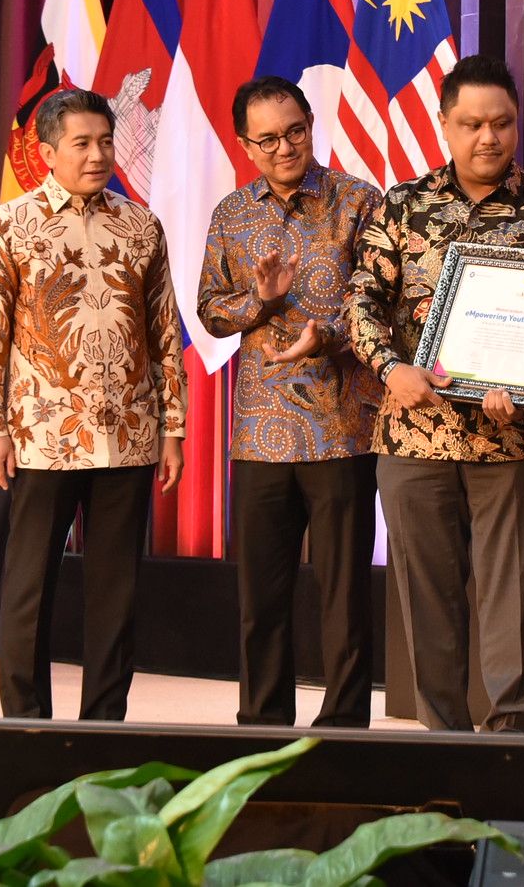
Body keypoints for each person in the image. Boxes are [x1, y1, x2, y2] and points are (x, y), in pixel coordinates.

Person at [347, 54, 524, 732]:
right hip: (413, 432)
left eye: (502, 123)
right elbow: (360, 299)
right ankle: (442, 733)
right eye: (473, 124)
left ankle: (510, 724)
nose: (489, 137)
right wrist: (391, 367)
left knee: (510, 594)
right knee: (426, 597)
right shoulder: (400, 203)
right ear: (444, 124)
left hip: (511, 431)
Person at [0, 87, 188, 721]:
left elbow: (163, 332)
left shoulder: (141, 225)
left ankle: (104, 725)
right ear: (47, 152)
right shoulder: (9, 223)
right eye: (82, 144)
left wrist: (173, 428)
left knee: (116, 592)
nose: (97, 155)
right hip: (41, 434)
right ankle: (25, 723)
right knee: (31, 584)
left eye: (106, 142)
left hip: (130, 432)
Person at [199, 76, 384, 727]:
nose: (285, 147)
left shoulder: (358, 201)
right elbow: (211, 313)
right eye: (269, 138)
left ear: (311, 123)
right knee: (262, 599)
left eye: (296, 131)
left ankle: (343, 729)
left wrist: (325, 333)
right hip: (259, 431)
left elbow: (378, 306)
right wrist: (262, 300)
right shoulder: (231, 214)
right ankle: (262, 724)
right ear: (246, 144)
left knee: (344, 595)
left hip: (340, 427)